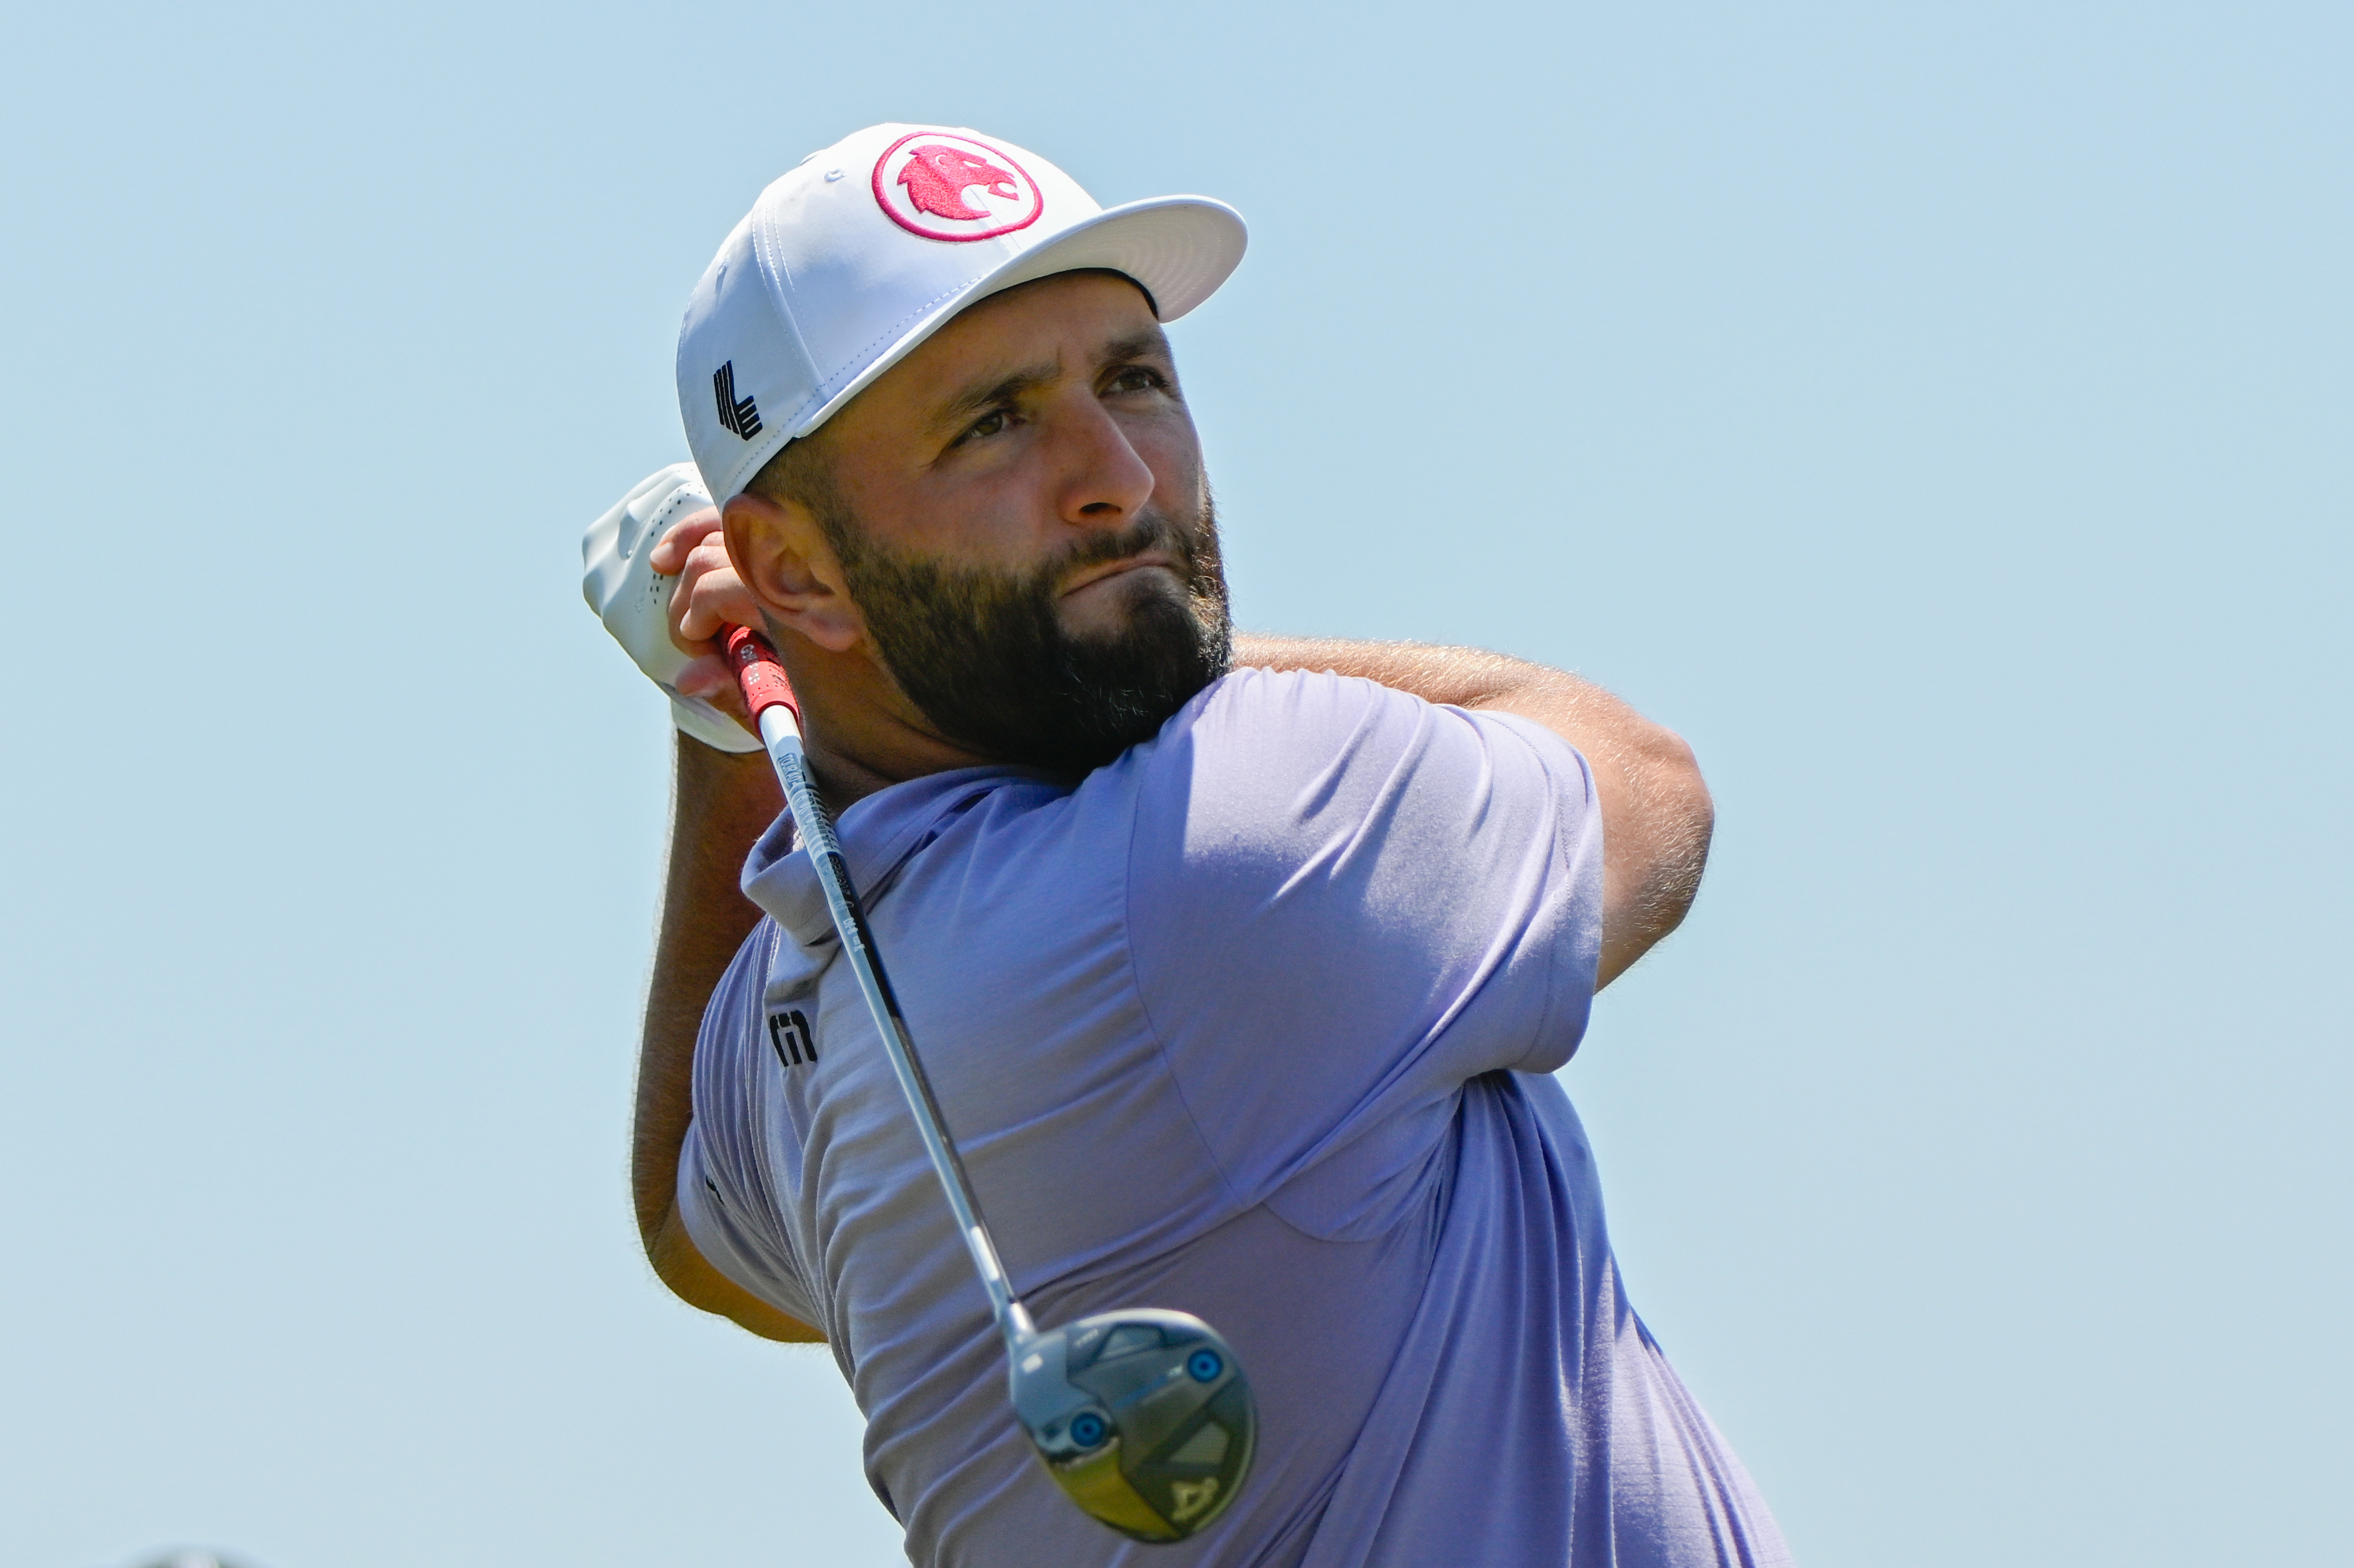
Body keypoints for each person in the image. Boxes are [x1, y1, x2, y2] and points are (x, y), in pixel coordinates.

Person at [585, 123, 1792, 1566]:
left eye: (1135, 379)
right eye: (995, 423)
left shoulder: (815, 1006)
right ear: (793, 565)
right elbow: (1648, 783)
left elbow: (685, 1221)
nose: (1121, 478)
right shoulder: (1218, 851)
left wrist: (727, 718)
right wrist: (1139, 626)